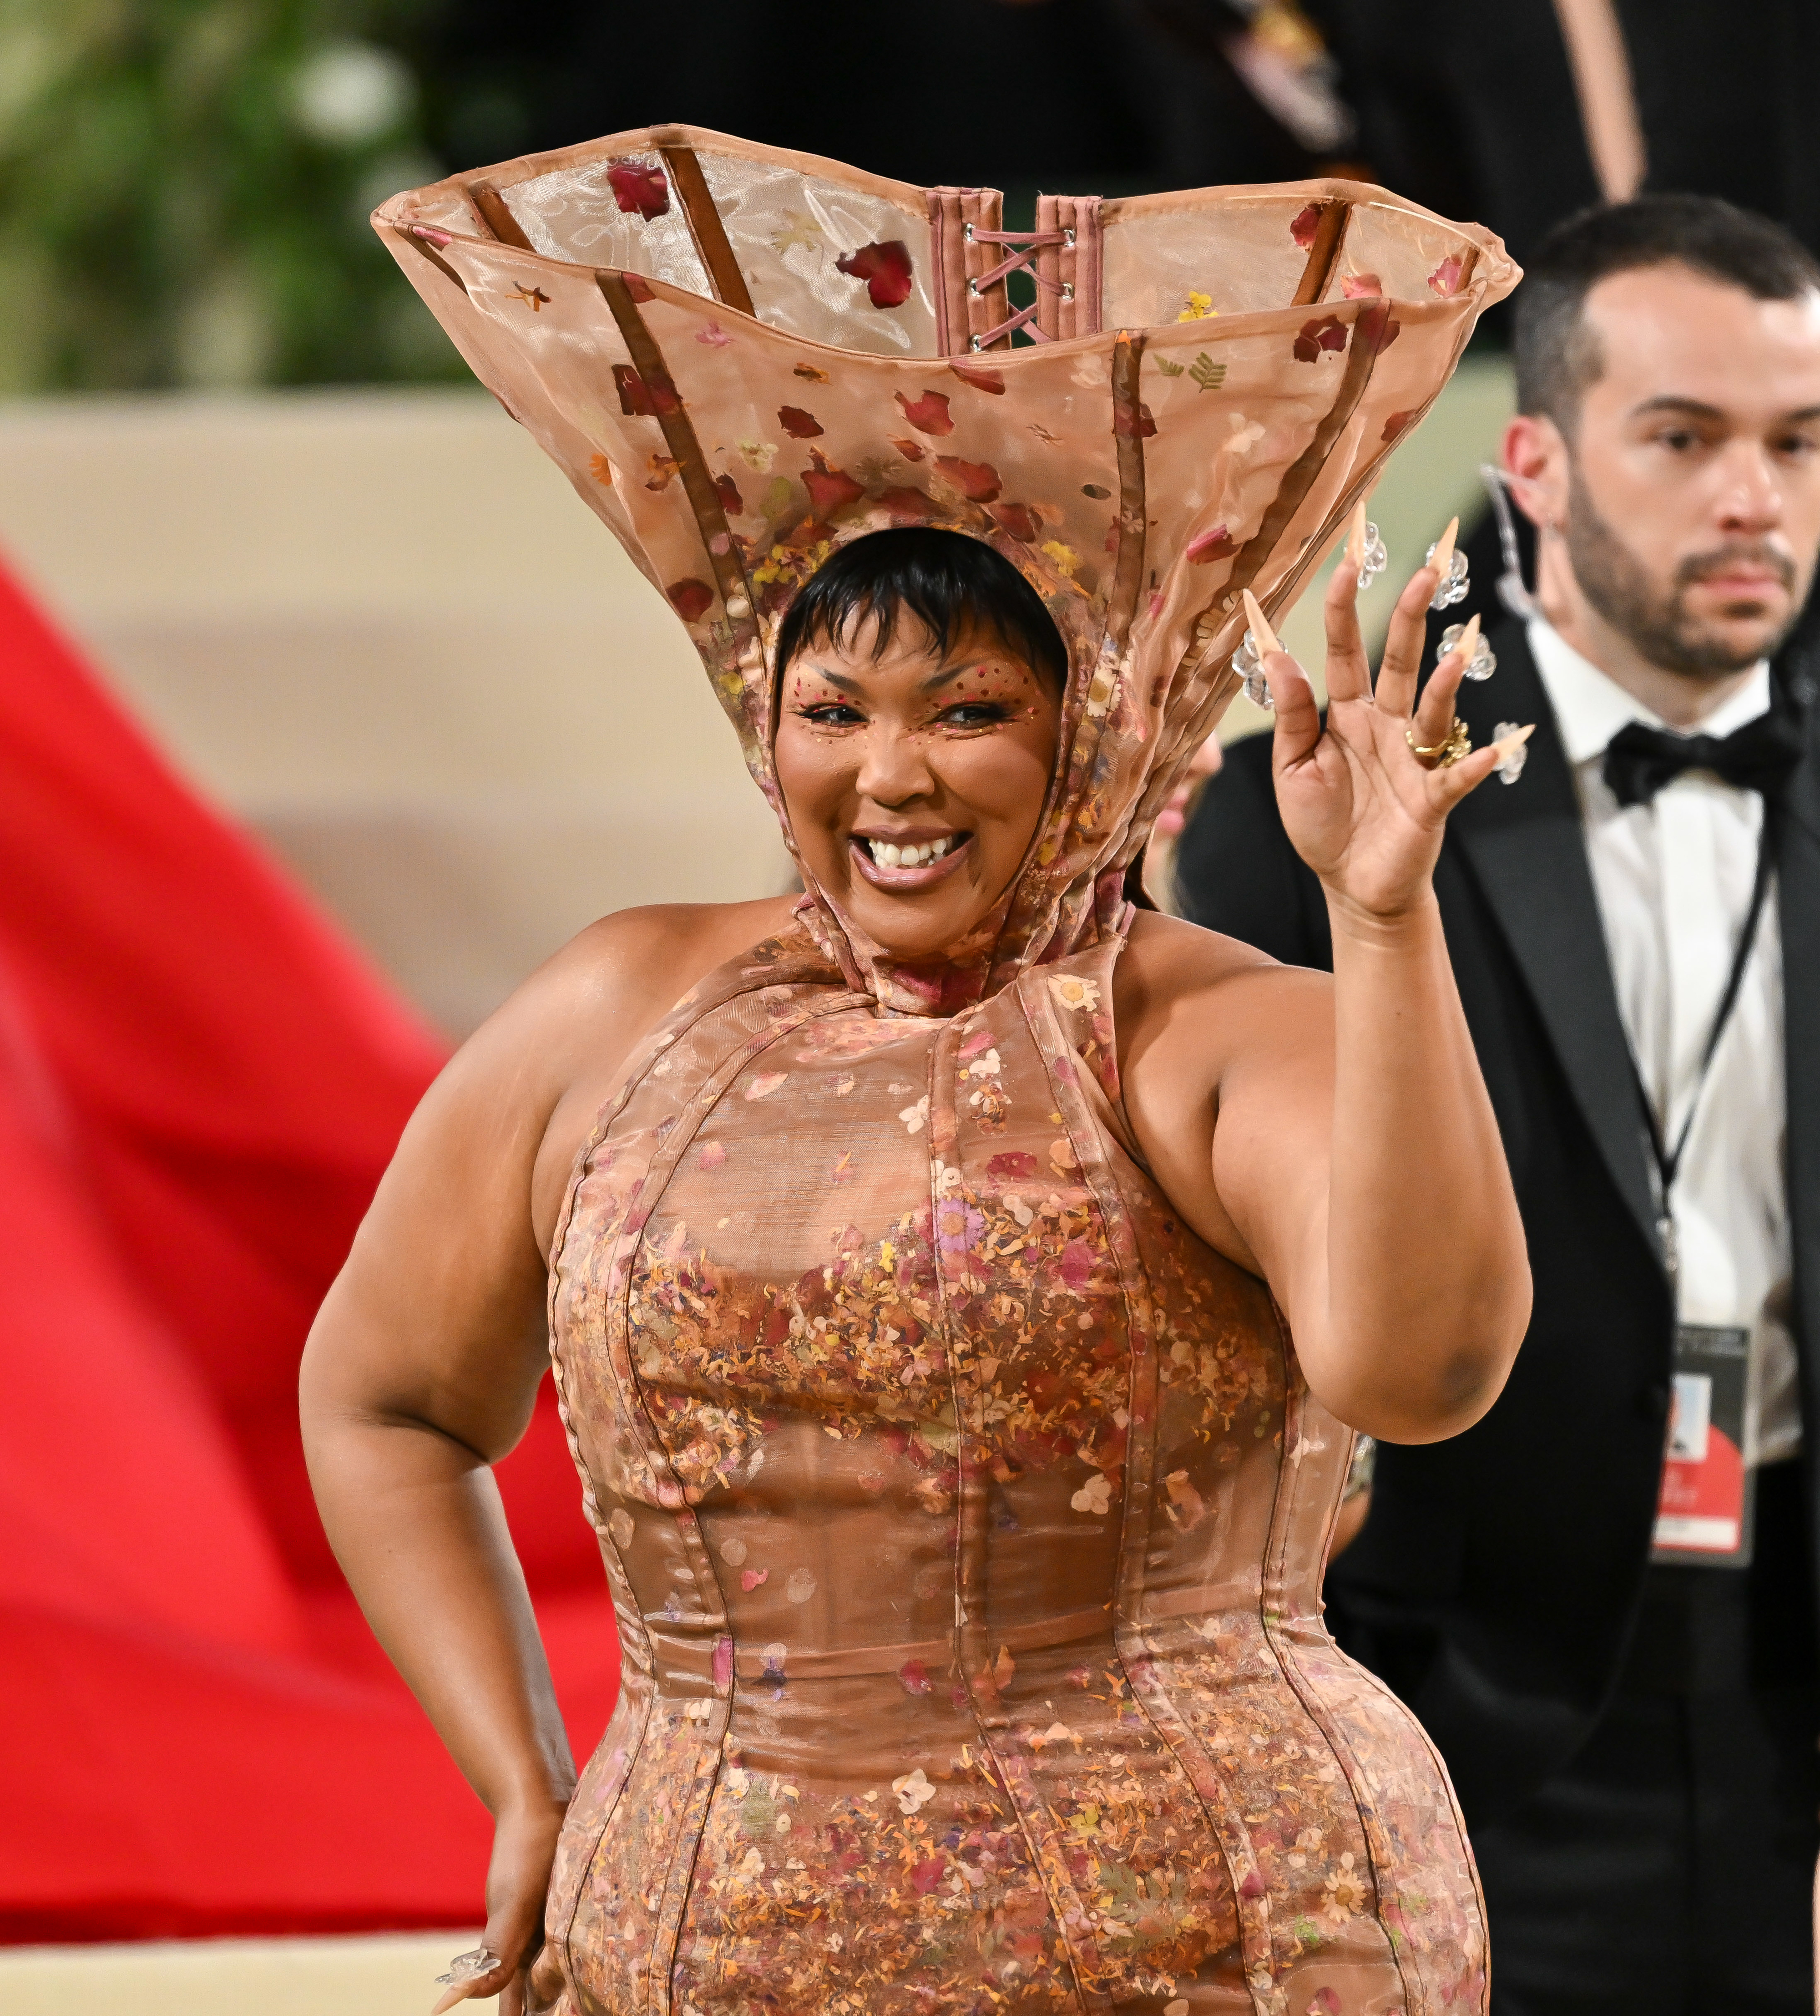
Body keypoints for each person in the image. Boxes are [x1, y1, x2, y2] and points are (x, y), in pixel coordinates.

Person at [306, 128, 1530, 2014]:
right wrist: (523, 1777)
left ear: (1097, 729)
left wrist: (1377, 922)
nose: (890, 775)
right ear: (760, 716)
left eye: (970, 712)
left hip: (1206, 1944)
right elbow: (380, 1399)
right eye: (833, 709)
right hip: (692, 1948)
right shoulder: (613, 1009)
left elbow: (1420, 1374)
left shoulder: (1201, 1024)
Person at [1176, 192, 1820, 2013]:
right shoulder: (1300, 814)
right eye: (1683, 438)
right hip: (1463, 1710)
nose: (1752, 498)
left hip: (1793, 1702)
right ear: (1531, 459)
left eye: (1797, 442)